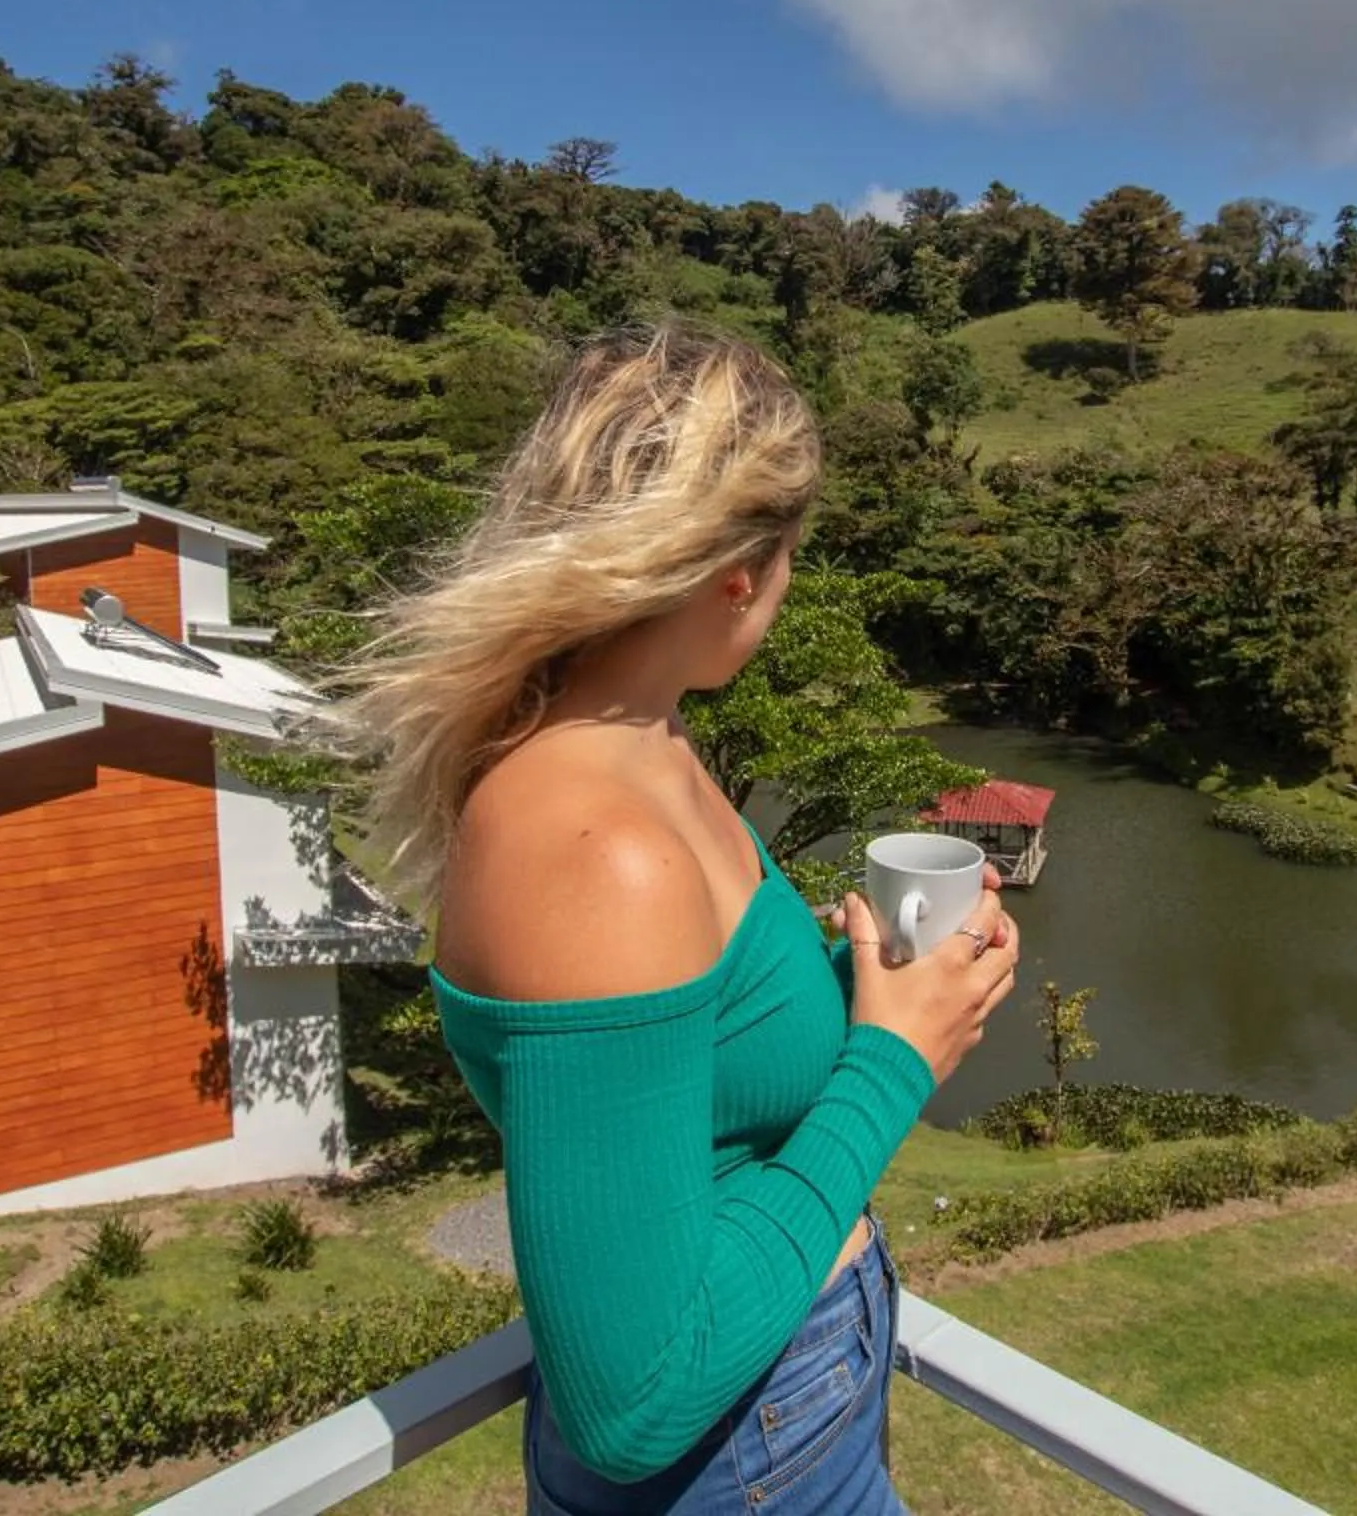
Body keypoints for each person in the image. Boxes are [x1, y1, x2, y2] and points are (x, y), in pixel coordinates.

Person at [342, 319, 1019, 1515]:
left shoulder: (643, 737)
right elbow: (633, 1398)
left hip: (799, 1406)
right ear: (738, 574)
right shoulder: (596, 847)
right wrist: (896, 1058)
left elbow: (688, 1041)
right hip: (735, 1460)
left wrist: (843, 971)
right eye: (796, 555)